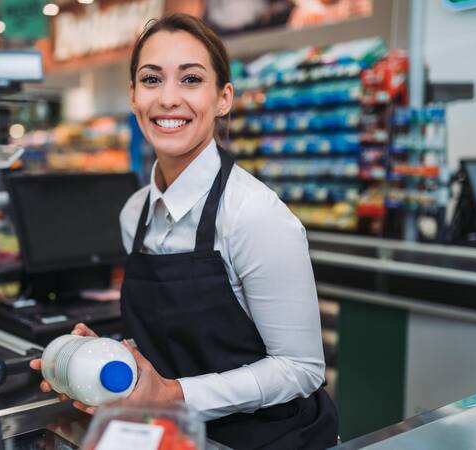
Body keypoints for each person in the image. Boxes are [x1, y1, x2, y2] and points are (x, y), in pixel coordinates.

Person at [31, 13, 338, 449]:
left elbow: (301, 369)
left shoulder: (255, 215)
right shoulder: (134, 213)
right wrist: (109, 361)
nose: (168, 98)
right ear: (134, 96)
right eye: (152, 80)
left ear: (223, 98)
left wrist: (173, 395)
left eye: (191, 79)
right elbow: (175, 340)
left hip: (272, 439)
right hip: (171, 436)